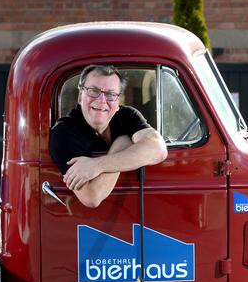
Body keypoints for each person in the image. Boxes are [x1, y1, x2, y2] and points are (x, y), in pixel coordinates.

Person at [50, 65, 168, 208]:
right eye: (94, 91)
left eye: (111, 94)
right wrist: (124, 144)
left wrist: (98, 165)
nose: (101, 100)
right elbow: (91, 197)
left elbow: (158, 150)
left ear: (118, 102)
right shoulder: (64, 132)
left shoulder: (128, 115)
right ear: (80, 96)